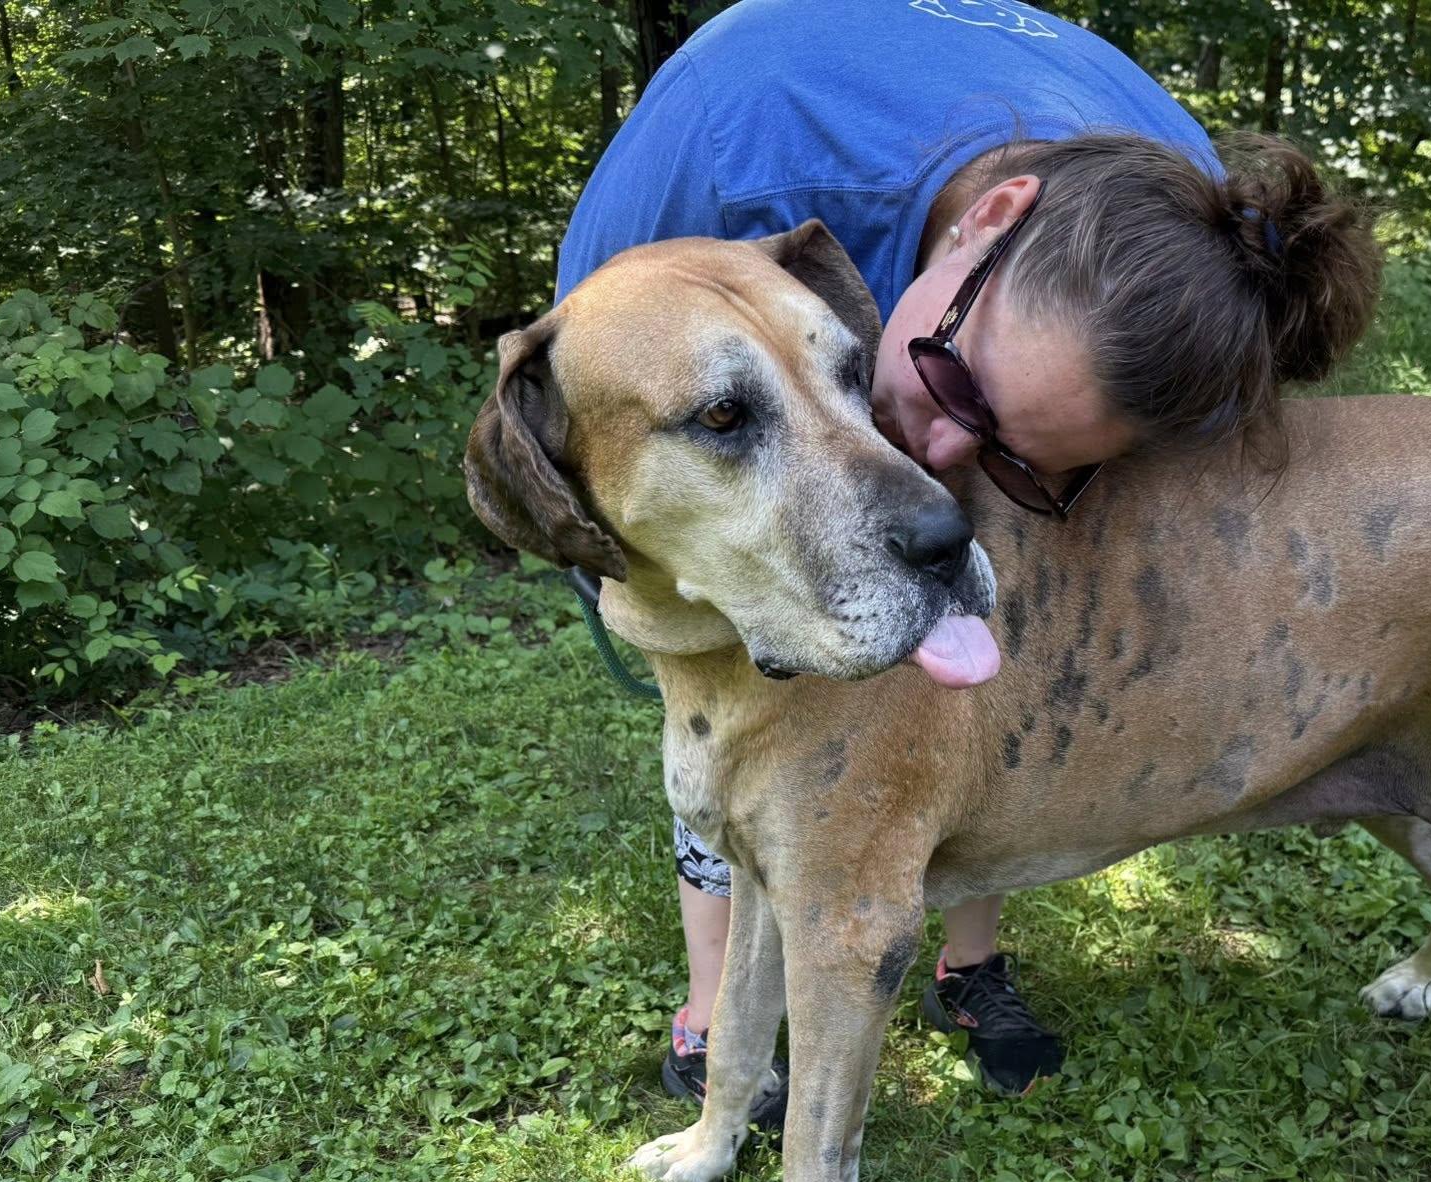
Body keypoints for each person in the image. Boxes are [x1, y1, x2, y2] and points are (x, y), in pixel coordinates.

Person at [555, 0, 1379, 1125]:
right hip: (719, 402)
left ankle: (967, 949)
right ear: (988, 222)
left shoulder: (1191, 238)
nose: (943, 463)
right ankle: (718, 1014)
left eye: (1015, 457)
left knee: (964, 651)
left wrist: (1015, 468)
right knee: (733, 725)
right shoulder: (728, 136)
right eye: (956, 393)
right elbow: (585, 445)